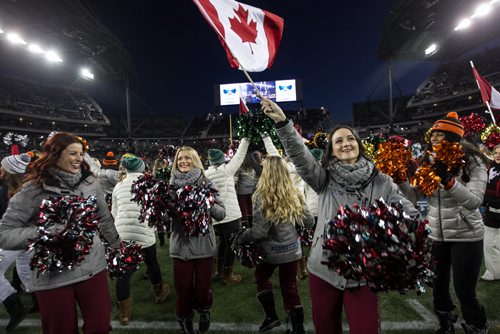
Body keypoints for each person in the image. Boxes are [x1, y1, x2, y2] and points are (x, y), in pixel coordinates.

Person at [261, 98, 420, 334]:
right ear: (332, 149)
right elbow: (301, 157)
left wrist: (388, 230)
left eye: (350, 139)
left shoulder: (381, 180)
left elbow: (411, 214)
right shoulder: (323, 178)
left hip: (363, 273)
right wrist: (284, 123)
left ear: (358, 144)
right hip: (323, 269)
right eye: (338, 141)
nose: (345, 143)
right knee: (326, 328)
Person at [0, 132, 121, 334]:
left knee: (100, 326)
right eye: (73, 153)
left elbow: (104, 218)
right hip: (52, 275)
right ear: (55, 154)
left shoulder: (91, 183)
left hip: (92, 266)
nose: (79, 159)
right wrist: (44, 233)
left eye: (81, 154)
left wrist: (118, 247)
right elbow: (4, 234)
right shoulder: (33, 189)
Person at [399, 112, 489, 333]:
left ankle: (477, 325)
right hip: (437, 233)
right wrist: (399, 179)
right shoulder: (428, 161)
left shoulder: (473, 162)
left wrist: (449, 181)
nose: (434, 139)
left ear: (453, 138)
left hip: (466, 235)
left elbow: (474, 201)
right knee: (438, 287)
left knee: (464, 290)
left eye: (441, 135)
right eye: (433, 135)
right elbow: (413, 195)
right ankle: (445, 322)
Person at [236, 155, 314, 334]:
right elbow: (309, 222)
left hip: (271, 252)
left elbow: (259, 232)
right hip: (293, 250)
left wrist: (241, 237)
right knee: (290, 287)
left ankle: (271, 317)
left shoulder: (262, 196)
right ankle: (297, 328)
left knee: (261, 277)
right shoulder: (295, 192)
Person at [169, 146, 225, 334]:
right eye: (180, 159)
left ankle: (204, 310)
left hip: (203, 247)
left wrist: (205, 200)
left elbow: (221, 213)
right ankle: (183, 316)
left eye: (188, 158)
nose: (183, 162)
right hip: (180, 246)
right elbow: (162, 219)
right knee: (183, 288)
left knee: (203, 288)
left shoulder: (206, 183)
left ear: (195, 160)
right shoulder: (169, 185)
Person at [111, 156, 170, 326]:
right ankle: (159, 292)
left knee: (124, 272)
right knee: (151, 262)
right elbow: (157, 209)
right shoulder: (149, 182)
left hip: (123, 232)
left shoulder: (119, 185)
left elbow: (114, 212)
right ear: (141, 167)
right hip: (143, 230)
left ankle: (124, 314)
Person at [205, 138, 249, 285]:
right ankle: (228, 275)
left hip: (216, 215)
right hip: (230, 215)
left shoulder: (206, 174)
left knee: (223, 242)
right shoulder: (227, 170)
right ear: (221, 160)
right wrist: (246, 138)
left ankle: (218, 270)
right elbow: (240, 155)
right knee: (231, 244)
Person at [0, 153, 33, 331]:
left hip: (12, 239)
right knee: (26, 271)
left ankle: (15, 308)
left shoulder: (5, 190)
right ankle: (41, 301)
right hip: (26, 238)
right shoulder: (28, 186)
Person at [482, 143, 500, 281]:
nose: (497, 155)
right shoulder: (490, 169)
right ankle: (492, 273)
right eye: (495, 152)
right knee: (488, 244)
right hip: (491, 212)